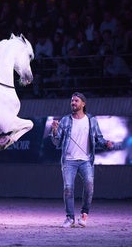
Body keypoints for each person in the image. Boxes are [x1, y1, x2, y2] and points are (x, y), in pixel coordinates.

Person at [50, 92, 115, 228]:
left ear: (83, 104)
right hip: (69, 160)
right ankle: (70, 218)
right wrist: (55, 130)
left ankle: (84, 215)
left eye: (76, 101)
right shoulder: (65, 120)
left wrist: (106, 143)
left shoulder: (91, 120)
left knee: (89, 186)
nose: (73, 103)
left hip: (86, 160)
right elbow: (56, 142)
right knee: (68, 188)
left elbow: (99, 138)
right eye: (72, 101)